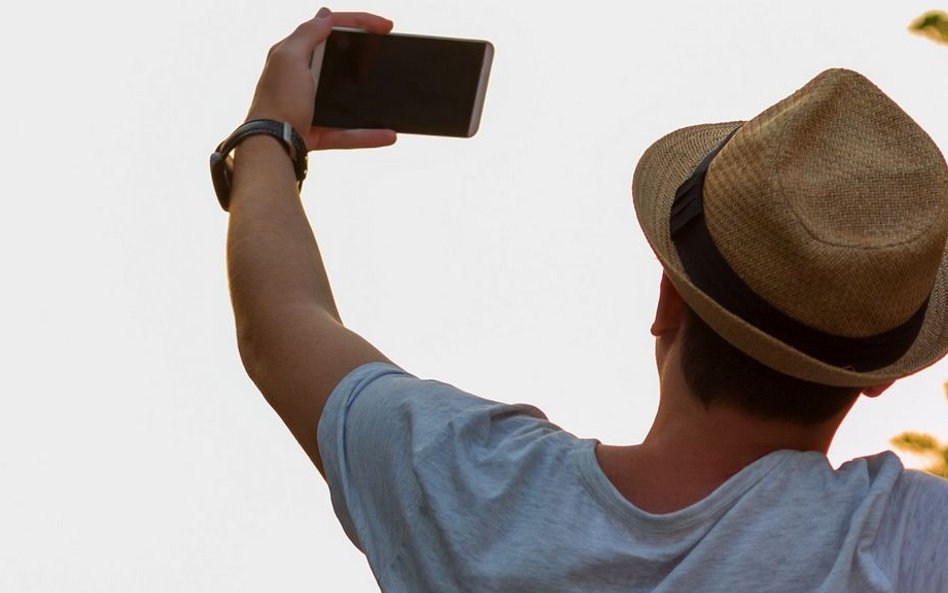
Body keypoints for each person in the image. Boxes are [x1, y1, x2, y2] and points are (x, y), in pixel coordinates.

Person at [216, 8, 948, 592]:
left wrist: (270, 137)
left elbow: (280, 328)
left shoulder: (479, 495)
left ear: (668, 299)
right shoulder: (914, 543)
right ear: (880, 371)